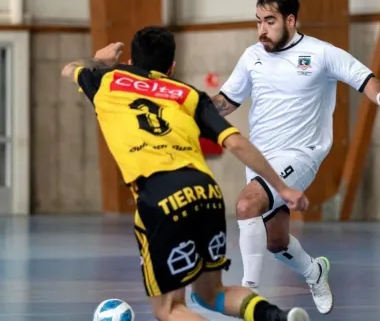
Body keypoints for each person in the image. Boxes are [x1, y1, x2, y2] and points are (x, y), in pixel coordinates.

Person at [60, 26, 313, 321]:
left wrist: (101, 60)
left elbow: (70, 69)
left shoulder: (106, 81)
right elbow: (236, 142)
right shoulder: (189, 95)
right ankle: (278, 317)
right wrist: (282, 188)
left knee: (169, 309)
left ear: (130, 62)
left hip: (160, 194)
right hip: (206, 191)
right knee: (211, 293)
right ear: (171, 68)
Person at [211, 0, 380, 315]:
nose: (262, 29)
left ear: (290, 20)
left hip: (300, 155)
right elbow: (225, 103)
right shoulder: (252, 57)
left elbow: (364, 77)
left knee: (247, 205)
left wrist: (379, 97)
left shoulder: (321, 53)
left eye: (269, 21)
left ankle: (248, 297)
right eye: (258, 21)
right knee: (276, 242)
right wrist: (190, 107)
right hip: (259, 159)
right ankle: (314, 271)